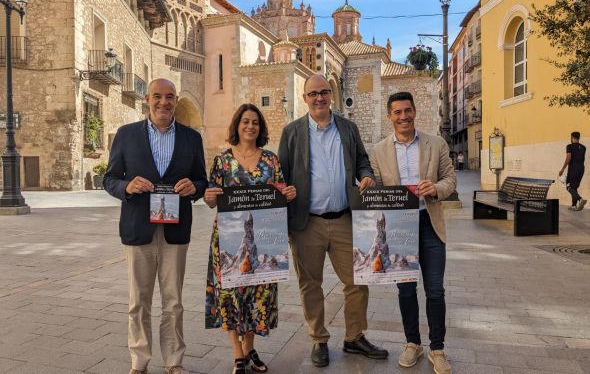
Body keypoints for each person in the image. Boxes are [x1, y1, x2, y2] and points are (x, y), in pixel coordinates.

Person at [278, 74, 388, 367]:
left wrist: (366, 175)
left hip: (344, 219)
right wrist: (283, 194)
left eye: (324, 92)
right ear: (305, 98)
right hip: (307, 223)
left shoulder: (348, 129)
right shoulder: (292, 132)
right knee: (310, 284)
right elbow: (282, 175)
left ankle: (354, 337)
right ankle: (318, 338)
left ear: (332, 95)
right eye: (313, 93)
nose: (319, 98)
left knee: (357, 280)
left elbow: (362, 160)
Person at [103, 78, 208, 374]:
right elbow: (109, 179)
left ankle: (174, 362)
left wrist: (195, 187)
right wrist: (128, 185)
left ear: (176, 100)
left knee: (173, 301)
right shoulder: (126, 135)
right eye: (158, 97)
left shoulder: (191, 138)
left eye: (170, 97)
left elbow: (202, 180)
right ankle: (139, 362)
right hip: (138, 227)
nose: (164, 102)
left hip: (175, 229)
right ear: (147, 99)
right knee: (139, 301)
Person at [204, 104, 296, 374]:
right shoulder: (222, 161)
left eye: (255, 122)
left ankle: (249, 347)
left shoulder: (271, 160)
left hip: (264, 240)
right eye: (245, 121)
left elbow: (281, 193)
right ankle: (238, 353)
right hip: (228, 240)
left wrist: (288, 194)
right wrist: (209, 196)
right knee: (229, 295)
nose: (250, 126)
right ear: (237, 125)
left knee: (258, 294)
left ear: (261, 128)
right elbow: (211, 196)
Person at [368, 92, 456, 374]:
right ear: (389, 116)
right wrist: (370, 187)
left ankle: (437, 348)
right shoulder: (378, 151)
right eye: (397, 112)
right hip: (399, 228)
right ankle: (412, 343)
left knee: (435, 290)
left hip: (429, 224)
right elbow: (377, 187)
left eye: (407, 111)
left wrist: (437, 189)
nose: (403, 117)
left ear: (414, 112)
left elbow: (450, 179)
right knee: (406, 290)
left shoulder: (436, 143)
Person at [559, 131, 586, 211]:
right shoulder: (584, 148)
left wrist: (562, 169)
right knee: (574, 187)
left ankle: (580, 199)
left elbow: (568, 158)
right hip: (581, 169)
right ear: (579, 138)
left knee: (568, 187)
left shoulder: (569, 146)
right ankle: (574, 205)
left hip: (573, 169)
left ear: (572, 137)